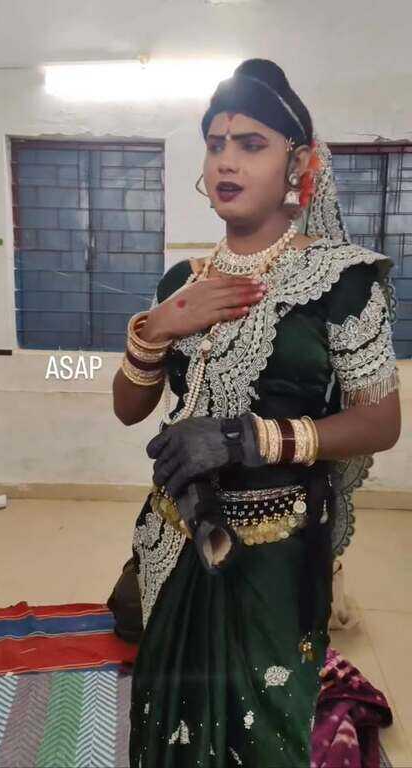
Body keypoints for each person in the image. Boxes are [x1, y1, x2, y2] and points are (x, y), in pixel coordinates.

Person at [112, 58, 401, 768]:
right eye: (215, 144)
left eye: (251, 144)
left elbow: (381, 423)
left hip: (278, 551)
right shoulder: (182, 279)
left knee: (263, 726)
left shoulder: (343, 279)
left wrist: (248, 438)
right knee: (170, 711)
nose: (227, 161)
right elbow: (129, 409)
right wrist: (158, 327)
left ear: (297, 163)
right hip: (178, 535)